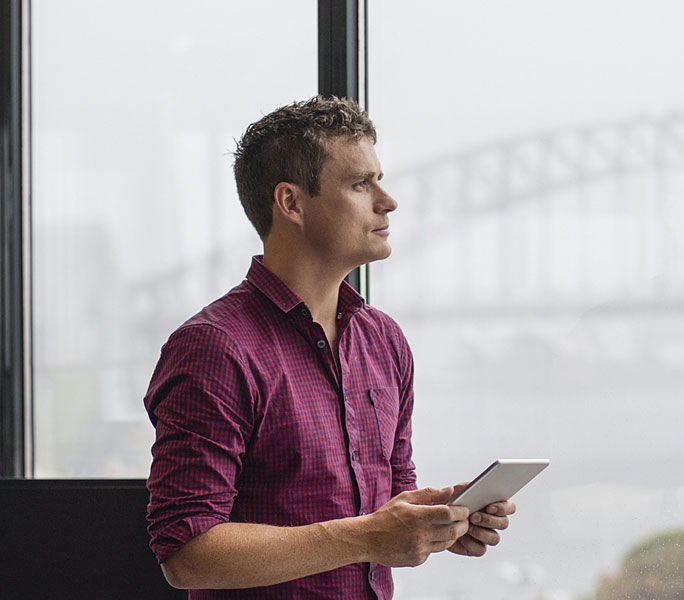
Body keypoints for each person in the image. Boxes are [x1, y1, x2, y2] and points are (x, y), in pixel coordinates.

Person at [144, 96, 516, 599]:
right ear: (291, 203)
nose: (387, 201)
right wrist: (366, 535)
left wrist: (435, 517)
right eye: (361, 183)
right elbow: (188, 554)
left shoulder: (383, 342)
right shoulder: (215, 348)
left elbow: (383, 507)